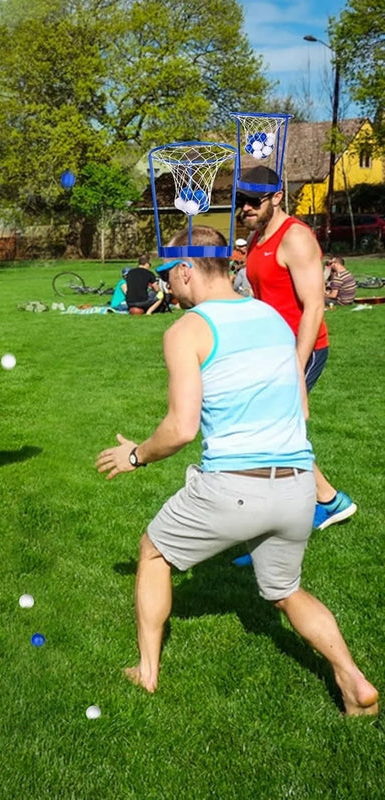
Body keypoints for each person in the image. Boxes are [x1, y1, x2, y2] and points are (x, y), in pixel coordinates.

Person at [95, 224, 378, 716]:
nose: (166, 286)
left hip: (233, 489)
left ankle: (146, 671)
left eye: (169, 275)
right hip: (296, 489)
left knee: (153, 553)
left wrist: (135, 454)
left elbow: (181, 428)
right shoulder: (271, 316)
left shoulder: (186, 329)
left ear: (187, 270)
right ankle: (353, 679)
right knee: (286, 592)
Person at [240, 165, 356, 531]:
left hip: (300, 350)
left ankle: (321, 503)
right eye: (240, 201)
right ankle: (326, 501)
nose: (245, 208)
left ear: (277, 197)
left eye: (253, 201)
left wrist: (296, 364)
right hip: (273, 350)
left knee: (273, 428)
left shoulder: (296, 238)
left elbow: (315, 306)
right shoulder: (259, 238)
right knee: (271, 429)